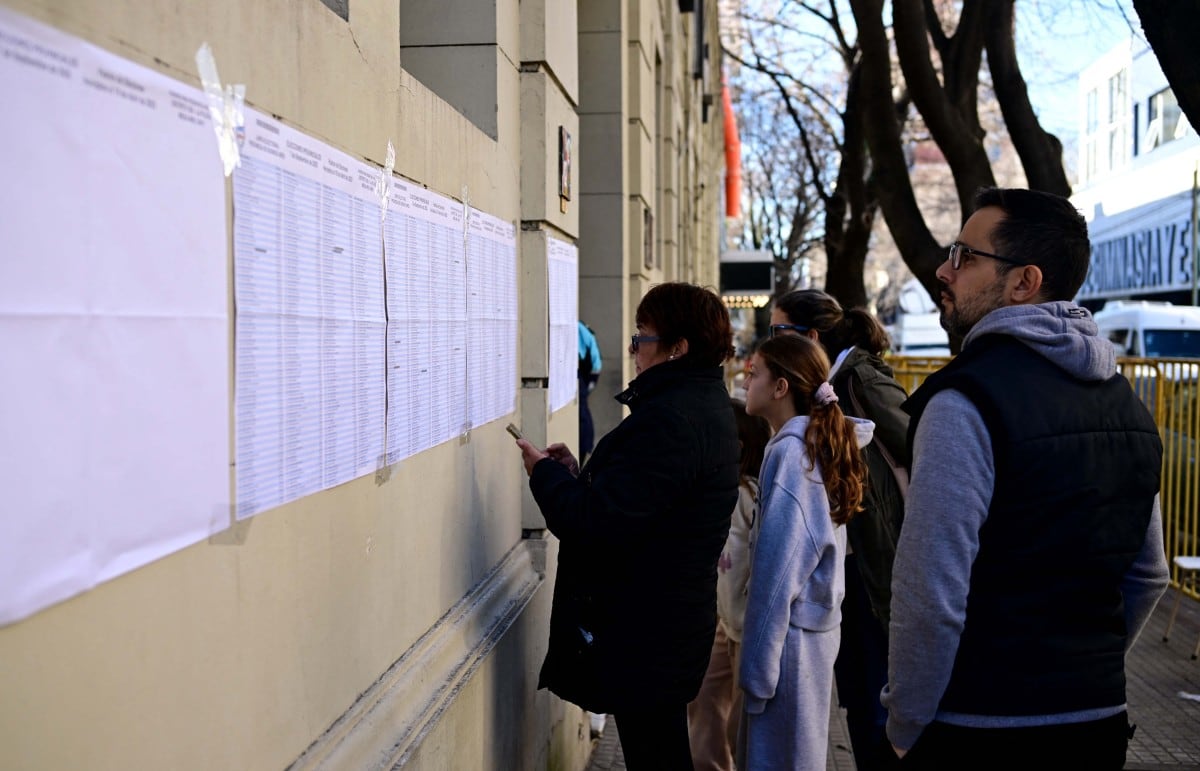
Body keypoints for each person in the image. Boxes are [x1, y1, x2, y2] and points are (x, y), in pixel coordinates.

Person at [882, 187, 1170, 769]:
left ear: (1024, 282)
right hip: (1097, 725)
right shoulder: (1128, 407)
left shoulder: (964, 400)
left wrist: (905, 722)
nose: (944, 269)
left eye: (965, 255)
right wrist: (1084, 672)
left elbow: (930, 594)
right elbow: (1151, 574)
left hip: (976, 729)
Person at [515, 282, 741, 771]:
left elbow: (595, 523)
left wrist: (545, 476)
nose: (634, 350)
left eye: (642, 337)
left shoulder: (670, 420)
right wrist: (578, 476)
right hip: (667, 627)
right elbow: (642, 505)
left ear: (677, 348)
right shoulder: (700, 404)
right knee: (658, 750)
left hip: (650, 633)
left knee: (656, 755)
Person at [770, 289, 909, 771]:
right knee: (856, 696)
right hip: (849, 570)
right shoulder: (821, 387)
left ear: (810, 337)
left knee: (874, 704)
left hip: (874, 570)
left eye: (776, 332)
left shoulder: (858, 379)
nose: (766, 347)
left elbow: (919, 447)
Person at [739, 334, 874, 771]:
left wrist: (756, 673)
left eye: (755, 371)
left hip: (788, 653)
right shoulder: (807, 446)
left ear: (781, 387)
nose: (745, 377)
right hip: (805, 643)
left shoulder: (793, 457)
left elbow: (777, 577)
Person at [688, 398, 771, 771]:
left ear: (735, 447)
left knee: (742, 723)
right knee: (702, 701)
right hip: (722, 623)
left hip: (749, 629)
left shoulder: (751, 496)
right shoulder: (717, 491)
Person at [578, 320, 603, 463]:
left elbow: (595, 363)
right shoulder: (582, 327)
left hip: (580, 375)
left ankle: (584, 449)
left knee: (582, 415)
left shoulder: (579, 328)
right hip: (583, 377)